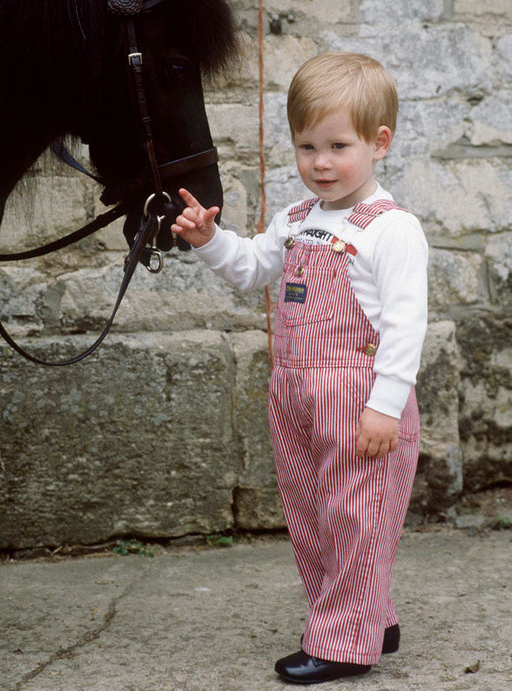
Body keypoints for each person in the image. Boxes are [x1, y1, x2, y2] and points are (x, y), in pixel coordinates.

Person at [171, 51, 428, 684]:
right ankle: (373, 617)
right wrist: (210, 241)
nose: (320, 162)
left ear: (379, 142)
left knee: (356, 514)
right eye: (306, 145)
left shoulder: (391, 229)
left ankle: (344, 644)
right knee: (311, 509)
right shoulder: (296, 219)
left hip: (359, 394)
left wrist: (384, 405)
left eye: (338, 145)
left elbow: (404, 325)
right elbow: (253, 267)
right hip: (295, 388)